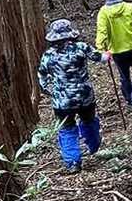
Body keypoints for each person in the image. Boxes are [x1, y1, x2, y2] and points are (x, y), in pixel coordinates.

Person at [37, 19, 108, 174]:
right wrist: (108, 54)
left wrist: (52, 91)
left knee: (66, 129)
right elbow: (101, 58)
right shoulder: (81, 47)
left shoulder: (48, 55)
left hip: (62, 101)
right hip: (85, 96)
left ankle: (73, 162)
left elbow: (42, 78)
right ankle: (94, 146)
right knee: (89, 121)